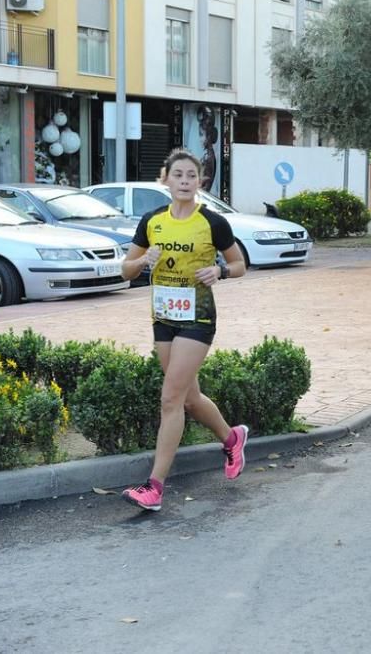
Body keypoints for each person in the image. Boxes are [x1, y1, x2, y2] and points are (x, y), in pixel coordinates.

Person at [120, 149, 248, 511]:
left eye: (191, 176)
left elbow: (240, 264)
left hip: (198, 317)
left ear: (200, 181)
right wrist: (143, 260)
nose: (185, 182)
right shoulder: (152, 221)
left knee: (170, 399)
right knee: (189, 397)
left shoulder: (212, 222)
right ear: (166, 179)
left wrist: (220, 271)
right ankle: (232, 438)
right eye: (178, 175)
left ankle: (154, 487)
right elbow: (125, 270)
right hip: (163, 317)